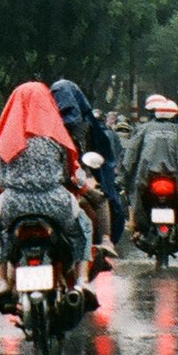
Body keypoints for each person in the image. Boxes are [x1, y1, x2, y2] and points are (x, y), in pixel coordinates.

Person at [0, 81, 92, 312]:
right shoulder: (57, 139)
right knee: (83, 225)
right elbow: (69, 174)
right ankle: (82, 281)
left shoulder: (8, 139)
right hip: (55, 202)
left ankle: (2, 281)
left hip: (14, 203)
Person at [50, 78, 123, 267]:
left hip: (64, 178)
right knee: (101, 199)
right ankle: (105, 240)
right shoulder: (86, 125)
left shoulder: (42, 125)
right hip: (71, 179)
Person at [121, 94, 178, 250]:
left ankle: (132, 221)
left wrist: (125, 172)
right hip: (175, 176)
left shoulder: (143, 129)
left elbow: (130, 154)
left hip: (146, 175)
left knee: (131, 190)